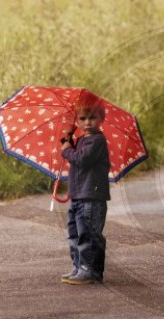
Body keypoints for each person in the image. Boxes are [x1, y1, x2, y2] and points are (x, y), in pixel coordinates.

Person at [60, 99, 111, 285]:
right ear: (77, 121)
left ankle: (91, 270)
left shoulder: (97, 140)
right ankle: (78, 266)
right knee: (74, 233)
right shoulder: (82, 139)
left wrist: (66, 151)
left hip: (91, 197)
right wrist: (68, 140)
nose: (87, 122)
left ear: (101, 119)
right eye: (82, 118)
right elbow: (77, 157)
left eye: (92, 118)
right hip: (78, 195)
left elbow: (82, 159)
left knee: (89, 234)